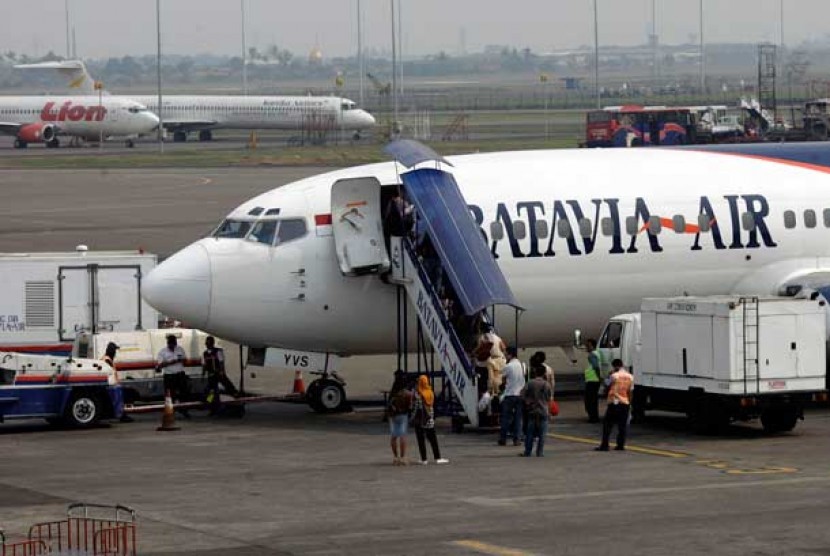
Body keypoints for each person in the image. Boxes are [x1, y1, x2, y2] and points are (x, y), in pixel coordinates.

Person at [596, 359, 634, 452]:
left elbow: (606, 384)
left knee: (608, 424)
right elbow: (630, 391)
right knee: (622, 426)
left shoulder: (614, 376)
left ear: (615, 366)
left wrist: (608, 375)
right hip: (625, 403)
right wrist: (629, 403)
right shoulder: (630, 376)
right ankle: (620, 445)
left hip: (614, 402)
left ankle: (605, 445)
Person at [411, 375, 449, 465]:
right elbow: (434, 406)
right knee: (433, 439)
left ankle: (424, 459)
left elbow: (415, 408)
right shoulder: (430, 392)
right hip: (429, 419)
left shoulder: (417, 394)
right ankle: (437, 457)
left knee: (421, 440)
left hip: (419, 420)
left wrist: (411, 418)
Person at [202, 336, 239, 415]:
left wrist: (222, 371)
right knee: (211, 391)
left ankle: (235, 394)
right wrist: (203, 374)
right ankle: (211, 406)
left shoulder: (218, 351)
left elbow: (221, 362)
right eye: (207, 343)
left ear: (212, 343)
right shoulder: (205, 353)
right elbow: (204, 365)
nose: (207, 344)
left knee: (227, 384)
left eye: (209, 343)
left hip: (218, 373)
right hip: (211, 375)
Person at [522, 364, 553, 457]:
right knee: (542, 434)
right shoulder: (546, 384)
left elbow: (522, 394)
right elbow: (549, 398)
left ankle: (527, 451)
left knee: (530, 433)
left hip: (532, 410)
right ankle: (540, 452)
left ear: (535, 373)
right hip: (543, 410)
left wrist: (528, 402)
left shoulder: (530, 383)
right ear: (544, 373)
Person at [156, 334, 190, 418]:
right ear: (168, 343)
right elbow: (159, 365)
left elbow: (186, 361)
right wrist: (172, 361)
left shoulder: (180, 349)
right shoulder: (162, 352)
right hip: (169, 376)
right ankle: (171, 412)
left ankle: (184, 410)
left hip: (180, 374)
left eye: (174, 343)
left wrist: (182, 360)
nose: (173, 345)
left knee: (184, 394)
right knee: (170, 395)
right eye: (171, 343)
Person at [498, 346, 526, 446]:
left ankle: (503, 439)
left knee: (506, 418)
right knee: (518, 419)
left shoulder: (508, 366)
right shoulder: (522, 365)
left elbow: (502, 380)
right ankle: (517, 439)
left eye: (506, 353)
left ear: (510, 354)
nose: (505, 355)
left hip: (510, 395)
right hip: (520, 395)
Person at [101, 342, 133, 423]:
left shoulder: (108, 359)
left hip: (112, 385)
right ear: (111, 351)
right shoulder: (107, 360)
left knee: (119, 400)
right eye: (114, 350)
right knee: (118, 400)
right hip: (111, 386)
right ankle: (121, 415)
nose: (115, 353)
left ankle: (122, 415)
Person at [387, 371, 413, 466]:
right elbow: (411, 406)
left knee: (394, 436)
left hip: (393, 416)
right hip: (403, 415)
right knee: (402, 436)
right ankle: (403, 457)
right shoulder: (407, 393)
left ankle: (395, 457)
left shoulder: (393, 391)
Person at [583, 339, 602, 423]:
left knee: (590, 400)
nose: (586, 347)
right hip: (594, 380)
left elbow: (596, 367)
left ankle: (593, 417)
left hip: (592, 380)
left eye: (588, 346)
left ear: (593, 346)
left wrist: (599, 377)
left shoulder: (592, 355)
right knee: (593, 400)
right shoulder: (597, 353)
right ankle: (594, 417)